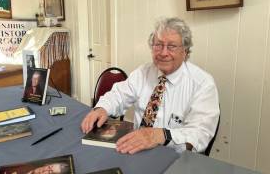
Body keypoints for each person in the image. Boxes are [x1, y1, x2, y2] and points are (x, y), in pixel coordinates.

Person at [81, 17, 220, 154]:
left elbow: (201, 134)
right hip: (135, 149)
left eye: (171, 46)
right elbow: (118, 95)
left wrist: (161, 135)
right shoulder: (143, 72)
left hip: (175, 158)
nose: (163, 53)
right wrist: (102, 108)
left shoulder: (203, 84)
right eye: (158, 45)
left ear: (185, 52)